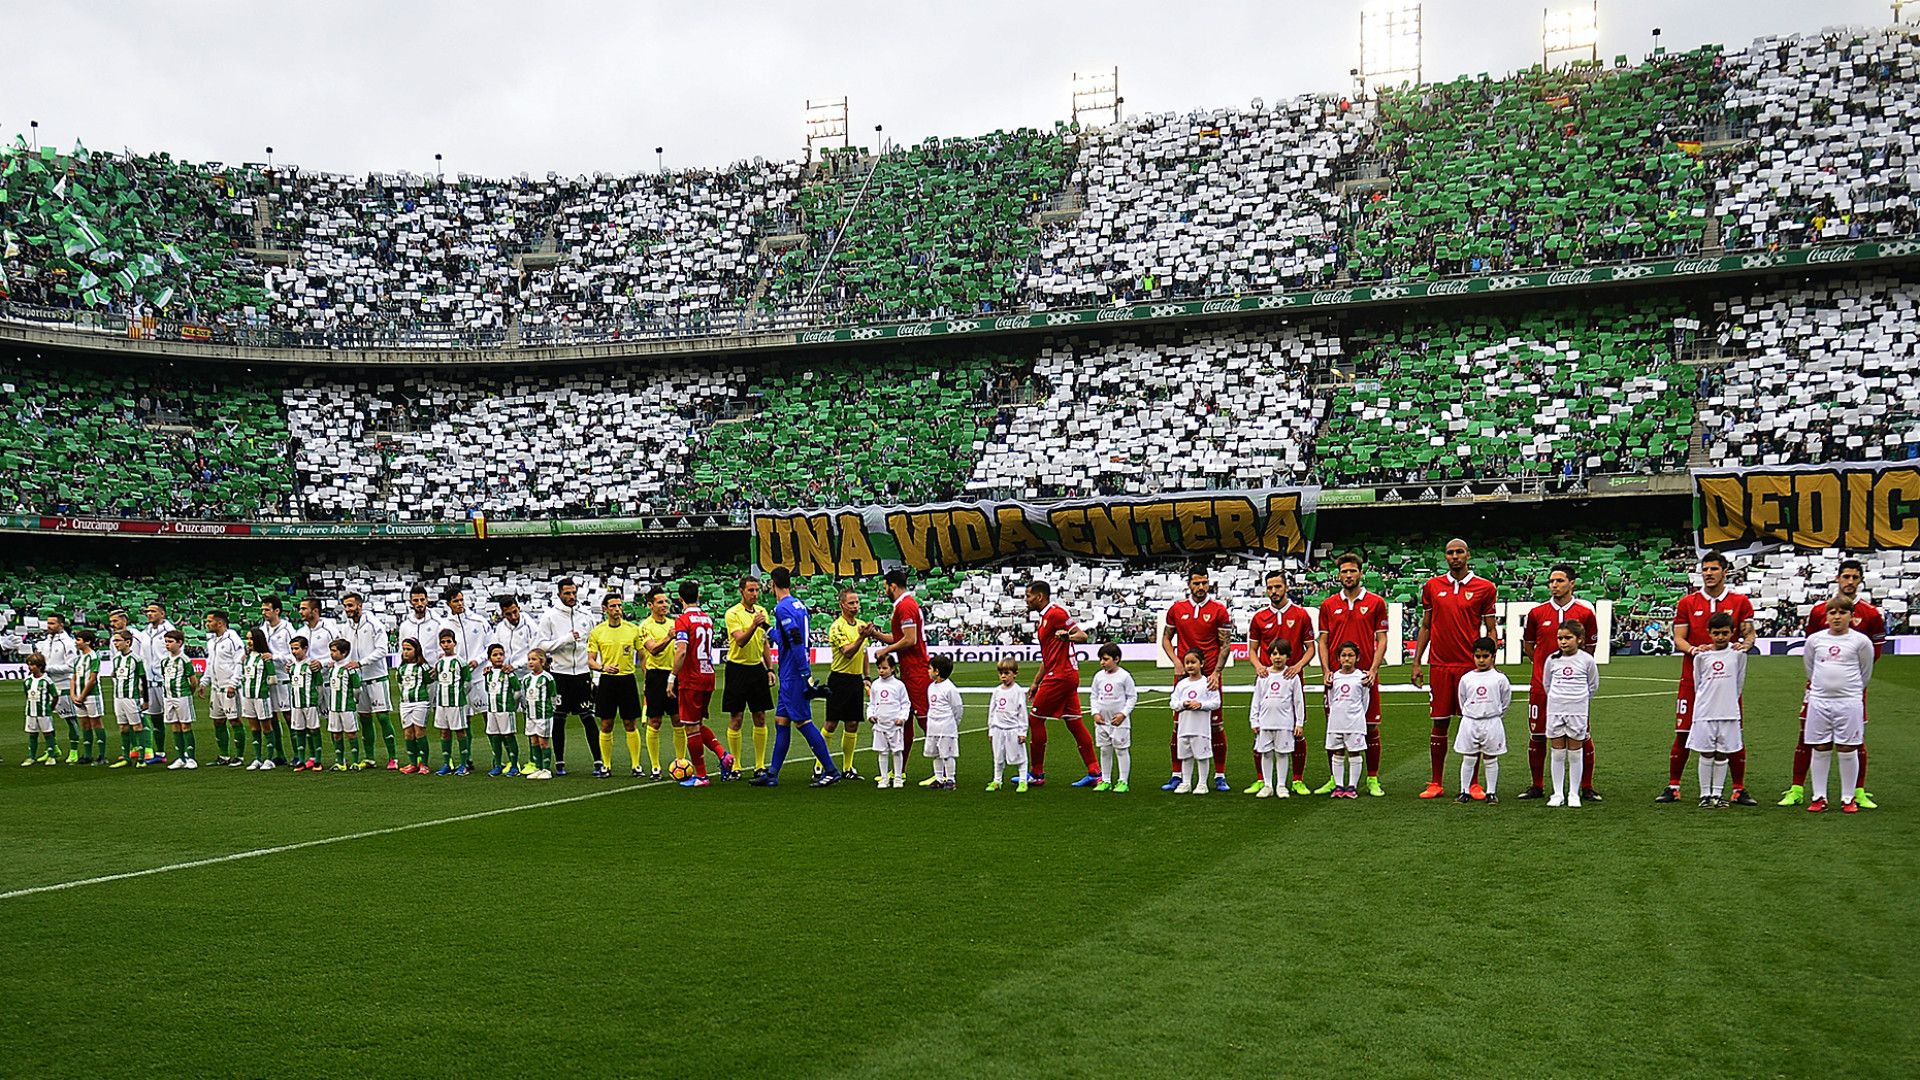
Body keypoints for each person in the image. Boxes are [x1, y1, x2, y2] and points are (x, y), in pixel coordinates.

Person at [1781, 560, 1886, 808]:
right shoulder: (1818, 611)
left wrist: (1853, 685)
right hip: (1818, 691)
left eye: (1854, 577)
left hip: (1850, 691)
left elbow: (1872, 659)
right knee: (1809, 737)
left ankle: (1855, 793)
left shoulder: (1871, 614)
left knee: (1853, 741)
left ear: (1860, 580)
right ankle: (1799, 789)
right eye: (1845, 576)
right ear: (1838, 578)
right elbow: (1810, 658)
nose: (1849, 581)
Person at [1660, 551, 1755, 804]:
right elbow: (1679, 637)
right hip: (1693, 679)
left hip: (1724, 681)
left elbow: (1749, 634)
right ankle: (1673, 786)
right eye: (1705, 569)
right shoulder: (1687, 603)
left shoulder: (1740, 601)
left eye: (1714, 569)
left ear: (1725, 572)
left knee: (1733, 732)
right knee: (1683, 731)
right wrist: (1694, 650)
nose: (1708, 574)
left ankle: (1738, 789)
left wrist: (1743, 646)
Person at [1411, 538, 1499, 800]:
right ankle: (1436, 782)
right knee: (1439, 723)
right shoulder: (1432, 586)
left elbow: (1491, 627)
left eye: (1459, 552)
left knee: (1472, 724)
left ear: (1468, 555)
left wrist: (1491, 661)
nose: (1455, 556)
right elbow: (1426, 626)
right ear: (1445, 557)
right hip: (1439, 664)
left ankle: (1473, 783)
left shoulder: (1485, 588)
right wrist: (1417, 662)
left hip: (1469, 668)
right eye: (1450, 552)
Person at [1518, 565, 1601, 802]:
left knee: (1582, 735)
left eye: (1560, 581)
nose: (1554, 585)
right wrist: (1545, 669)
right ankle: (1537, 785)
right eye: (1551, 581)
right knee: (1537, 734)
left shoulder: (1585, 613)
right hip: (1541, 687)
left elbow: (1590, 648)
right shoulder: (1537, 613)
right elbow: (1529, 646)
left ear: (1572, 583)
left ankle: (1586, 786)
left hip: (1573, 690)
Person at [751, 567, 840, 787]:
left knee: (802, 721)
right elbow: (786, 640)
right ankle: (772, 773)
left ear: (773, 584)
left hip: (794, 673)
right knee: (781, 721)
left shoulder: (782, 608)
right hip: (790, 670)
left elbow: (796, 641)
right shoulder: (799, 605)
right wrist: (766, 628)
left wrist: (805, 674)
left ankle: (831, 770)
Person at [1317, 553, 1390, 797]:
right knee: (1333, 727)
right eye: (1344, 571)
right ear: (1338, 575)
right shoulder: (1328, 605)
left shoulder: (1376, 602)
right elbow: (1324, 641)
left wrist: (1374, 669)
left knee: (1370, 727)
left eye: (1352, 571)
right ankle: (1333, 779)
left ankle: (1372, 779)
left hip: (1364, 676)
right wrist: (1326, 670)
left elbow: (1381, 639)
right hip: (1337, 678)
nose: (1348, 575)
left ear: (1361, 573)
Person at [1160, 567, 1235, 792]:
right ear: (1189, 585)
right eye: (1196, 583)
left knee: (1215, 725)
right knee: (1178, 725)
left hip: (1209, 675)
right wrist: (1176, 660)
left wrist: (1217, 672)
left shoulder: (1219, 610)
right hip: (1184, 675)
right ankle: (1177, 774)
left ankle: (1219, 775)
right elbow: (1166, 638)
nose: (1200, 587)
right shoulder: (1177, 609)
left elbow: (1226, 644)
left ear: (1209, 583)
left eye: (1204, 582)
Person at [1801, 598, 1875, 814]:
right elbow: (1810, 668)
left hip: (1849, 702)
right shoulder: (1815, 640)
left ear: (1851, 616)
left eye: (1842, 612)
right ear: (1826, 616)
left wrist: (1848, 690)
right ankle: (1819, 797)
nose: (1836, 616)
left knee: (1847, 747)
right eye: (1832, 612)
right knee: (1820, 746)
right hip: (1820, 701)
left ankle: (1848, 797)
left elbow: (1865, 672)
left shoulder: (1861, 641)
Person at [1024, 579, 1099, 788]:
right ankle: (1094, 772)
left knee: (1036, 720)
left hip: (1060, 676)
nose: (1026, 600)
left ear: (1039, 597)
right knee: (1074, 722)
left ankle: (1037, 773)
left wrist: (1068, 636)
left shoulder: (1056, 613)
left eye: (1028, 596)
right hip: (1062, 674)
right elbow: (1048, 656)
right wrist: (1035, 682)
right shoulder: (1044, 618)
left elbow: (1082, 635)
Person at [1247, 568, 1314, 796]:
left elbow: (1311, 648)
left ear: (1286, 587)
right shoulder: (1259, 617)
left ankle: (1296, 779)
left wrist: (1298, 666)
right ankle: (1262, 781)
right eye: (1270, 587)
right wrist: (1258, 666)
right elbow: (1253, 650)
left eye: (1278, 586)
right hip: (1268, 679)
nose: (1274, 591)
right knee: (1262, 733)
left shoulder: (1301, 614)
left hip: (1291, 678)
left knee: (1296, 731)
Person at [667, 579, 736, 787]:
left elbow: (682, 651)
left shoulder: (682, 621)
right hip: (708, 675)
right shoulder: (707, 619)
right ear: (698, 596)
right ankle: (723, 755)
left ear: (680, 599)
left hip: (691, 677)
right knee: (697, 724)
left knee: (690, 727)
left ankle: (702, 776)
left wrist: (672, 677)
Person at [536, 579, 599, 779]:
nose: (571, 597)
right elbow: (541, 646)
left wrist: (596, 675)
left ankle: (599, 761)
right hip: (560, 674)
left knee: (588, 718)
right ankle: (560, 761)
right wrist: (565, 639)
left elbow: (595, 645)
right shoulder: (550, 617)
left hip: (581, 673)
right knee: (559, 719)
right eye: (567, 593)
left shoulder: (586, 616)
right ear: (559, 594)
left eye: (574, 593)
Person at [871, 568, 931, 774]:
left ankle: (942, 772)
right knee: (904, 722)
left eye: (886, 586)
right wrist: (875, 634)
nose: (885, 590)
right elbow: (901, 638)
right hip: (909, 669)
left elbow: (910, 639)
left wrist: (885, 650)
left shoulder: (905, 606)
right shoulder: (904, 604)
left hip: (916, 670)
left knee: (924, 719)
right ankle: (899, 770)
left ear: (892, 586)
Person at [1686, 613, 1747, 808]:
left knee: (1723, 753)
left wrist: (1728, 701)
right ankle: (1705, 794)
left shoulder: (1739, 655)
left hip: (1729, 712)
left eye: (1724, 633)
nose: (1720, 637)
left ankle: (1718, 794)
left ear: (1732, 632)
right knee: (1706, 753)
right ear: (1709, 633)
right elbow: (1698, 683)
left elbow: (1739, 684)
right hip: (1705, 712)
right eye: (1716, 633)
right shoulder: (1702, 656)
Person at [722, 576, 777, 776]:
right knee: (736, 718)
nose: (754, 594)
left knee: (760, 717)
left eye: (756, 590)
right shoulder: (733, 614)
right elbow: (740, 641)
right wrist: (754, 625)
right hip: (737, 669)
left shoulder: (762, 612)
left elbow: (764, 643)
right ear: (741, 592)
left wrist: (770, 669)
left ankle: (760, 765)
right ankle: (735, 765)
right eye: (750, 590)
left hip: (757, 669)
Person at [1542, 624, 1600, 807]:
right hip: (1556, 709)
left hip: (1577, 710)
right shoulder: (1552, 660)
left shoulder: (1587, 660)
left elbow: (1593, 685)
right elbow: (1547, 684)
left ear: (1579, 639)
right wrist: (1558, 699)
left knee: (1575, 752)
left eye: (1568, 638)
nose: (1563, 642)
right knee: (1557, 752)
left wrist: (1578, 699)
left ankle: (1573, 793)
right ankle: (1557, 793)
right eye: (1560, 638)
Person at [586, 594, 644, 779]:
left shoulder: (633, 629)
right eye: (613, 606)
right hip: (607, 681)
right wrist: (603, 667)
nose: (617, 609)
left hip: (627, 679)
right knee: (606, 723)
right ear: (605, 609)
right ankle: (606, 765)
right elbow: (590, 660)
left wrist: (647, 677)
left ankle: (636, 765)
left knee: (630, 723)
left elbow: (642, 655)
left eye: (619, 605)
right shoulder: (597, 632)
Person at [341, 592, 398, 771]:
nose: (348, 609)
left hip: (376, 677)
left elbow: (382, 650)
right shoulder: (346, 627)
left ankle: (393, 758)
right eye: (345, 606)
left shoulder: (374, 624)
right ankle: (370, 757)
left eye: (351, 605)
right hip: (358, 679)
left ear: (360, 605)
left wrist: (360, 663)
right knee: (364, 718)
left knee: (382, 716)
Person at [1451, 637, 1510, 804]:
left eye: (1485, 656)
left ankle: (1491, 792)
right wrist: (1471, 713)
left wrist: (1495, 714)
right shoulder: (1467, 678)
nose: (1481, 660)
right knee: (1468, 757)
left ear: (1493, 656)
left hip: (1492, 721)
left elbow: (1505, 700)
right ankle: (1465, 791)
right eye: (1478, 656)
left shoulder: (1499, 678)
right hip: (1470, 721)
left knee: (1491, 757)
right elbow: (1462, 699)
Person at [438, 588, 494, 755]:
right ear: (449, 604)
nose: (460, 604)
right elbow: (441, 651)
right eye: (456, 601)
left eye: (461, 600)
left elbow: (490, 646)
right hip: (459, 680)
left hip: (480, 676)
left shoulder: (479, 621)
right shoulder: (445, 625)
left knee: (488, 717)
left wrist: (479, 660)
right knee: (465, 719)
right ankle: (467, 758)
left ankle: (496, 757)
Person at [1249, 639, 1305, 801]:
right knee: (1266, 753)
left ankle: (1281, 785)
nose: (1278, 657)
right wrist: (1254, 721)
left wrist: (1299, 723)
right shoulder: (1263, 676)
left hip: (1284, 723)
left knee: (1282, 754)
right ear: (1269, 656)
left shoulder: (1292, 676)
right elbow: (1256, 700)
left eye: (1282, 654)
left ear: (1288, 656)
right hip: (1265, 723)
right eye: (1274, 654)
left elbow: (1298, 701)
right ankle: (1268, 785)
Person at [824, 587, 871, 779]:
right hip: (839, 679)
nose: (855, 606)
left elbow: (864, 654)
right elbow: (848, 652)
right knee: (831, 723)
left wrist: (866, 676)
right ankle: (821, 764)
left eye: (857, 602)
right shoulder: (837, 627)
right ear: (842, 604)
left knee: (852, 723)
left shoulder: (860, 624)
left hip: (855, 679)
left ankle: (848, 767)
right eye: (851, 603)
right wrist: (862, 636)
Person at [637, 587, 680, 780]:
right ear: (650, 605)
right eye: (660, 602)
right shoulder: (645, 626)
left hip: (674, 674)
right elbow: (653, 649)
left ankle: (681, 761)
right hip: (655, 676)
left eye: (666, 601)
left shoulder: (674, 623)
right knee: (655, 721)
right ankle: (655, 766)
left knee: (678, 719)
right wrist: (669, 637)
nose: (665, 605)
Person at [1170, 649, 1220, 795]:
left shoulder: (1207, 682)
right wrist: (1182, 704)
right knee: (1185, 756)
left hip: (1200, 729)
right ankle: (1186, 783)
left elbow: (1216, 702)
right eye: (1187, 663)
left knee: (1202, 756)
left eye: (1193, 662)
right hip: (1184, 728)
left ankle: (1202, 783)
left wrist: (1201, 705)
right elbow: (1173, 702)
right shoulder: (1182, 684)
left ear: (1202, 663)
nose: (1190, 666)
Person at [1089, 643, 1137, 793]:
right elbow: (1094, 696)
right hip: (1102, 721)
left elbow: (1132, 697)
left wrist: (1123, 713)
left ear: (1116, 659)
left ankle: (1123, 781)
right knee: (1104, 750)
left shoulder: (1124, 676)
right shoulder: (1098, 676)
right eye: (1101, 659)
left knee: (1121, 750)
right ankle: (1106, 780)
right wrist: (1095, 713)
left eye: (1105, 659)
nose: (1102, 662)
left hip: (1119, 722)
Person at [1324, 643, 1370, 799]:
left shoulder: (1362, 677)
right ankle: (1338, 786)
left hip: (1355, 722)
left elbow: (1365, 701)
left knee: (1354, 751)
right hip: (1336, 721)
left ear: (1357, 658)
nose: (1347, 658)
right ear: (1338, 658)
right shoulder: (1333, 677)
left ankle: (1352, 786)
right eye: (1343, 655)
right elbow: (1331, 700)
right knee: (1337, 751)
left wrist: (1357, 716)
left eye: (1350, 655)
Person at [203, 610, 247, 767]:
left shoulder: (232, 639)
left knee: (234, 720)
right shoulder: (212, 641)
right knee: (218, 721)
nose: (207, 624)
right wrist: (204, 682)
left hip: (229, 687)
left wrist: (233, 684)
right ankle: (224, 755)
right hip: (216, 688)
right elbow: (210, 663)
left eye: (210, 621)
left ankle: (240, 756)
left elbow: (239, 663)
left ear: (220, 623)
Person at [137, 602, 177, 765]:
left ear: (162, 614)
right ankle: (160, 753)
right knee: (155, 718)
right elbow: (142, 656)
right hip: (149, 681)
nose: (149, 614)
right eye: (147, 611)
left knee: (175, 719)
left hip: (165, 680)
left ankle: (184, 754)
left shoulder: (170, 631)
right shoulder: (144, 633)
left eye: (153, 611)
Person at [258, 597, 296, 765]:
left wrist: (276, 657)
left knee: (289, 716)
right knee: (272, 716)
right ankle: (279, 754)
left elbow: (295, 652)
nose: (264, 613)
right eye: (263, 610)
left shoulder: (287, 629)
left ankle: (297, 754)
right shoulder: (262, 629)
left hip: (284, 677)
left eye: (267, 609)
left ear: (277, 611)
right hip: (268, 678)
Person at [37, 613, 78, 763]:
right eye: (48, 623)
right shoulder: (44, 642)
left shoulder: (68, 643)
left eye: (52, 623)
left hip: (63, 685)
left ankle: (74, 751)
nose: (49, 626)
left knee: (70, 719)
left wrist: (48, 668)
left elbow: (71, 666)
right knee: (45, 719)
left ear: (61, 625)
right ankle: (52, 748)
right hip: (46, 684)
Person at [433, 629, 474, 776]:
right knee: (444, 732)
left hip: (456, 703)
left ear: (454, 643)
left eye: (448, 641)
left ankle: (463, 764)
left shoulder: (460, 662)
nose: (446, 645)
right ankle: (447, 763)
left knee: (460, 732)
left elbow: (468, 683)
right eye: (443, 642)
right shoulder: (439, 663)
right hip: (441, 703)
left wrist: (460, 696)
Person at [986, 659, 1031, 792]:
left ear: (1015, 674)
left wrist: (1022, 731)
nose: (1003, 676)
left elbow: (1022, 712)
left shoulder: (1017, 691)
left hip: (1013, 729)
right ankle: (997, 780)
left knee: (1019, 756)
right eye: (1001, 673)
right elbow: (992, 711)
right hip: (998, 729)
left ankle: (1023, 781)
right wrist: (991, 729)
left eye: (1006, 673)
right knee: (998, 756)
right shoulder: (997, 691)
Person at [107, 629, 150, 768]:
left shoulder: (136, 659)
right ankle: (126, 758)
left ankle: (142, 759)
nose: (115, 644)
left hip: (132, 698)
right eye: (114, 641)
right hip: (118, 697)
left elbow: (143, 680)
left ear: (128, 642)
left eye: (118, 641)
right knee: (123, 727)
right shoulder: (116, 659)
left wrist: (146, 700)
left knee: (137, 727)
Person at [867, 653, 910, 788]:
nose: (881, 671)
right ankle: (884, 778)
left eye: (884, 668)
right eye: (879, 668)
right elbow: (872, 704)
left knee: (897, 751)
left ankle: (898, 777)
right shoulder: (875, 685)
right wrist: (870, 715)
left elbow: (905, 703)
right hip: (880, 725)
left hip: (895, 725)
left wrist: (902, 718)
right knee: (882, 752)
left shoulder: (899, 685)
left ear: (892, 668)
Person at [158, 628, 199, 770]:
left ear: (179, 643)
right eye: (166, 642)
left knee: (185, 725)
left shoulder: (185, 660)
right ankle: (181, 757)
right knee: (174, 726)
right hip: (168, 697)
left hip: (182, 696)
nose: (167, 644)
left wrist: (188, 693)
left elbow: (193, 681)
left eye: (170, 642)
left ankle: (191, 758)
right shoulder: (164, 661)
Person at [481, 643, 523, 777]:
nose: (499, 657)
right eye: (495, 655)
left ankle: (514, 765)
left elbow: (517, 690)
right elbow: (487, 690)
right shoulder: (488, 674)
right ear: (489, 658)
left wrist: (513, 706)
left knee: (509, 736)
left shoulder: (509, 673)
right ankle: (498, 764)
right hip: (492, 710)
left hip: (506, 710)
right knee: (494, 737)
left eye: (501, 654)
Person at [923, 654, 964, 791]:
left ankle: (950, 779)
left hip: (946, 726)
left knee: (947, 754)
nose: (928, 671)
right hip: (933, 725)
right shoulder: (931, 687)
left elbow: (957, 708)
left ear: (937, 671)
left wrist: (953, 723)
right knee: (936, 753)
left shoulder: (949, 688)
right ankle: (939, 778)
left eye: (930, 668)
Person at [394, 638, 434, 773]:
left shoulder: (423, 667)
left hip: (420, 703)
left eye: (409, 649)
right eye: (404, 649)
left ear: (416, 650)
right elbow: (400, 684)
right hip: (405, 703)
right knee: (408, 733)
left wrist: (428, 701)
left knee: (419, 731)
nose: (405, 652)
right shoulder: (401, 668)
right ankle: (413, 763)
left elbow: (429, 684)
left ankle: (424, 764)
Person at [324, 638, 363, 772]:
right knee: (336, 734)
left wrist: (354, 701)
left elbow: (357, 688)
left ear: (344, 652)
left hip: (347, 707)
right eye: (331, 651)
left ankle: (355, 762)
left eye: (334, 651)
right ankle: (340, 762)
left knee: (351, 734)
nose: (331, 654)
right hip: (334, 708)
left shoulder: (349, 669)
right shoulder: (332, 668)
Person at [239, 628, 277, 769]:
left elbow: (273, 679)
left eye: (251, 639)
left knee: (266, 726)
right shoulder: (246, 658)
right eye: (247, 639)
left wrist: (262, 686)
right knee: (253, 727)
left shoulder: (265, 657)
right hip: (247, 696)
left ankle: (269, 759)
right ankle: (257, 758)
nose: (249, 642)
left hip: (261, 697)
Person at [288, 635, 325, 771]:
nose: (294, 651)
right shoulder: (291, 667)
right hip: (296, 704)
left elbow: (319, 685)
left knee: (314, 730)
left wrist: (318, 701)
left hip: (310, 703)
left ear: (305, 649)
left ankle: (317, 760)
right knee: (299, 731)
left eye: (297, 648)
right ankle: (301, 761)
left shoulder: (312, 665)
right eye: (292, 648)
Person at [521, 648, 559, 780]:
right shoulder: (526, 679)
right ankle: (538, 767)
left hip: (543, 715)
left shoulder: (547, 678)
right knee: (534, 741)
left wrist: (551, 709)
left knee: (543, 742)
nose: (531, 662)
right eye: (529, 659)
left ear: (542, 661)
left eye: (534, 659)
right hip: (530, 715)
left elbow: (553, 695)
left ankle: (546, 769)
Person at [70, 628, 104, 764]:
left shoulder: (93, 657)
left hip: (91, 696)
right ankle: (87, 754)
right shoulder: (78, 659)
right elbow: (73, 678)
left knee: (96, 722)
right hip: (78, 696)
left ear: (88, 642)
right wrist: (73, 695)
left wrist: (82, 696)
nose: (76, 642)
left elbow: (92, 679)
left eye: (78, 640)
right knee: (84, 724)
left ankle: (102, 755)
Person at [20, 653, 59, 767]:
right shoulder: (27, 680)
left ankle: (51, 756)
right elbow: (26, 694)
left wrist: (50, 708)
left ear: (40, 666)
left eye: (32, 665)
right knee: (32, 734)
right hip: (30, 712)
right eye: (29, 665)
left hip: (43, 713)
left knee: (48, 734)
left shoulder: (47, 680)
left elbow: (55, 696)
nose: (30, 667)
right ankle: (31, 757)